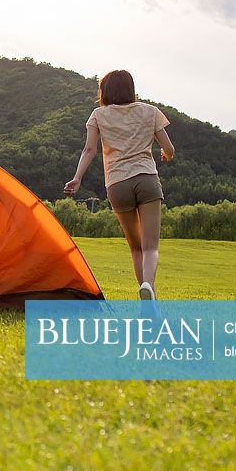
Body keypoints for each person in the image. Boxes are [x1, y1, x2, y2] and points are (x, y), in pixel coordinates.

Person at [64, 69, 175, 301]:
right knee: (150, 247)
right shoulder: (150, 111)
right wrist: (166, 154)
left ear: (105, 91)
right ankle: (148, 286)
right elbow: (169, 147)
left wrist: (77, 178)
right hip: (146, 179)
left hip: (117, 184)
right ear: (131, 89)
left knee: (136, 247)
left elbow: (89, 150)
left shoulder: (98, 114)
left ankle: (147, 299)